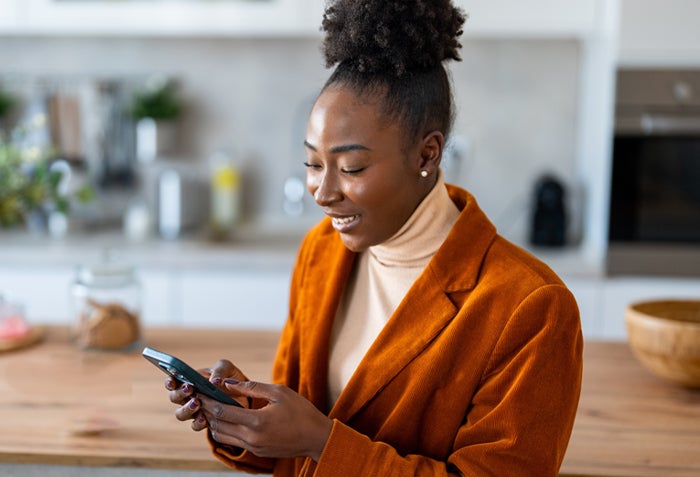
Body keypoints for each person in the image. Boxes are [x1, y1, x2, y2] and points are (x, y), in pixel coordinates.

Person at [166, 0, 583, 475]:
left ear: (428, 153)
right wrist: (244, 413)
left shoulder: (530, 308)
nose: (322, 194)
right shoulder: (321, 252)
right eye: (312, 164)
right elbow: (293, 446)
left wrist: (323, 441)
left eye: (352, 168)